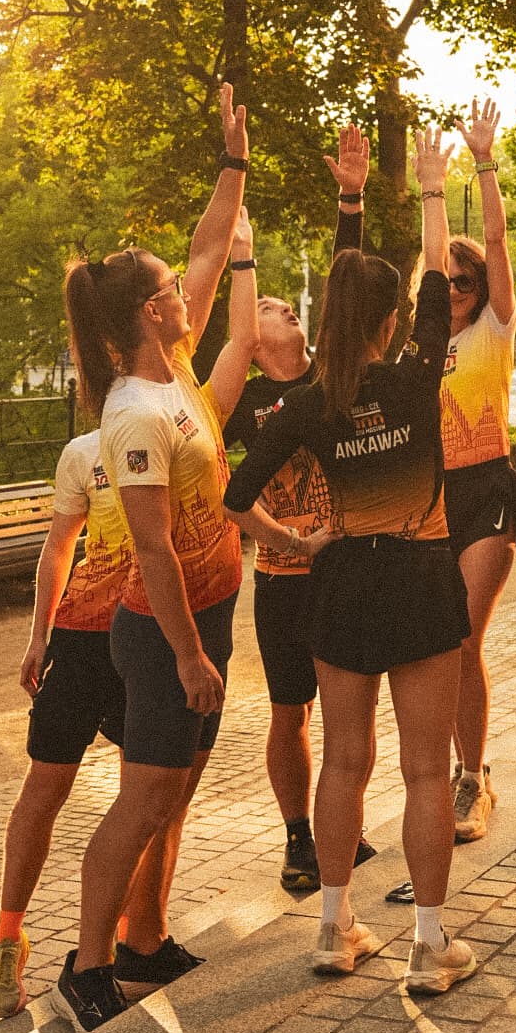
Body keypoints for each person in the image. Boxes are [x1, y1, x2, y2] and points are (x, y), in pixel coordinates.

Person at [224, 128, 477, 995]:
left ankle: (334, 930)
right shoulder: (415, 378)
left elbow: (234, 497)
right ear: (396, 323)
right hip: (421, 576)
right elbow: (433, 282)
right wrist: (434, 191)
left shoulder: (302, 404)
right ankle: (429, 946)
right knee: (421, 766)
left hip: (336, 584)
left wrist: (295, 543)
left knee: (342, 759)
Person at [54, 85, 261, 1033]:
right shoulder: (134, 411)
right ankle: (87, 964)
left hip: (207, 615)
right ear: (151, 309)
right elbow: (149, 546)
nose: (190, 288)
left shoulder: (172, 372)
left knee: (172, 793)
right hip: (161, 631)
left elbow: (214, 246)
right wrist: (186, 654)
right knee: (141, 800)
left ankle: (144, 942)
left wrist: (234, 163)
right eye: (174, 287)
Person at [223, 125, 376, 891]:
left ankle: (338, 824)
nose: (285, 308)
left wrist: (350, 196)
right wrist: (286, 538)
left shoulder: (332, 379)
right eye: (273, 306)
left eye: (285, 305)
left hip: (346, 570)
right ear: (250, 340)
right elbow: (230, 499)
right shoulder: (238, 402)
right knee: (291, 711)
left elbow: (350, 283)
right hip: (282, 578)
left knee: (350, 708)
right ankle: (297, 840)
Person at [0, 428, 136, 1018]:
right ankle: (6, 940)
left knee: (140, 796)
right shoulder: (83, 451)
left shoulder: (180, 429)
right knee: (42, 792)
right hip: (78, 640)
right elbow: (59, 547)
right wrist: (39, 636)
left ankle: (113, 934)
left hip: (144, 637)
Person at [442, 98, 516, 843]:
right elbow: (425, 261)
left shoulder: (493, 330)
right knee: (443, 645)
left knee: (463, 638)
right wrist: (425, 193)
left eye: (464, 282)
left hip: (489, 491)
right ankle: (464, 765)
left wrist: (484, 160)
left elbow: (497, 240)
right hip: (428, 499)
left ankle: (472, 780)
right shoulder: (418, 342)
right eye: (443, 284)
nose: (453, 292)